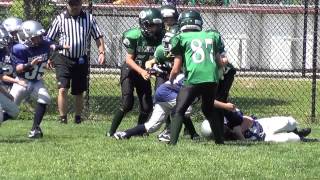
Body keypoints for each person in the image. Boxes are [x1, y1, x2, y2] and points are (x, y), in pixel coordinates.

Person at [168, 10, 227, 145]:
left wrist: (171, 79)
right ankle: (220, 141)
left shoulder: (180, 38)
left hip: (193, 79)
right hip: (212, 80)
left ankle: (172, 144)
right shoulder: (212, 35)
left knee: (179, 110)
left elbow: (176, 67)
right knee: (208, 109)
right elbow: (219, 62)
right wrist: (225, 62)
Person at [107, 8, 164, 137]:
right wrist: (142, 71)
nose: (154, 29)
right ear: (143, 24)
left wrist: (153, 68)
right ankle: (111, 132)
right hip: (130, 71)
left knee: (146, 107)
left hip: (143, 71)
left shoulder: (161, 37)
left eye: (157, 26)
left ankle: (138, 132)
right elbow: (128, 60)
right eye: (151, 25)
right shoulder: (134, 36)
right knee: (127, 104)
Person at [46, 0, 106, 124]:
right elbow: (49, 40)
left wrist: (101, 52)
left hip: (80, 59)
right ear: (67, 5)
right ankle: (63, 118)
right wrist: (49, 57)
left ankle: (78, 118)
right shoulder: (60, 19)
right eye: (71, 4)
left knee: (79, 91)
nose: (74, 7)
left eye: (76, 4)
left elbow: (98, 36)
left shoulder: (89, 18)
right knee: (62, 88)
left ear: (81, 4)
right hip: (62, 58)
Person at [9, 20, 65, 138]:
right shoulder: (19, 49)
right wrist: (30, 65)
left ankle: (35, 129)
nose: (39, 39)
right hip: (22, 82)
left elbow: (51, 45)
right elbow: (18, 69)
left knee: (44, 98)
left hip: (36, 81)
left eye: (40, 36)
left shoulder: (44, 43)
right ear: (26, 37)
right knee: (10, 110)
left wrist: (62, 47)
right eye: (36, 37)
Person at [113, 74, 200, 141]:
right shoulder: (195, 79)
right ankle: (168, 133)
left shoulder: (192, 76)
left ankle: (125, 133)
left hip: (161, 93)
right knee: (186, 109)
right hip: (166, 92)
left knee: (151, 126)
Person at [201, 109, 313, 143]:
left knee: (290, 122)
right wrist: (238, 135)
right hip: (264, 138)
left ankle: (297, 131)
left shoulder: (228, 118)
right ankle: (302, 138)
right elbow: (244, 142)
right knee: (290, 139)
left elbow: (248, 120)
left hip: (262, 124)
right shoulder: (226, 140)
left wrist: (238, 130)